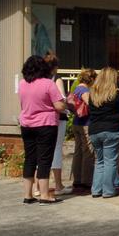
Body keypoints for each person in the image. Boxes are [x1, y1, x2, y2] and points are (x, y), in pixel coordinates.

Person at [17, 55, 66, 205]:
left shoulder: (22, 83)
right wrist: (64, 104)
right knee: (44, 159)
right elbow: (59, 106)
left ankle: (28, 195)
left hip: (26, 125)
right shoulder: (48, 84)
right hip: (46, 125)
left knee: (30, 159)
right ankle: (44, 195)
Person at [88, 67, 119, 198]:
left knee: (100, 161)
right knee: (110, 161)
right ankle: (108, 190)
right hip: (111, 129)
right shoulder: (117, 94)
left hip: (94, 131)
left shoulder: (92, 94)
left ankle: (96, 189)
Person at [43, 52, 72, 196]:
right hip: (57, 118)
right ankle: (58, 185)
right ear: (55, 67)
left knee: (40, 151)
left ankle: (38, 187)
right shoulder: (57, 79)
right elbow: (61, 99)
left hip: (39, 120)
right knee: (56, 150)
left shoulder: (38, 79)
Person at [71, 68, 97, 190]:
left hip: (76, 122)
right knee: (88, 151)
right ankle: (86, 180)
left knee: (78, 152)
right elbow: (90, 104)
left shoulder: (76, 88)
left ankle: (77, 179)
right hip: (85, 123)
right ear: (91, 79)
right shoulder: (84, 90)